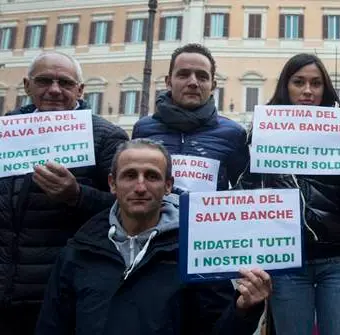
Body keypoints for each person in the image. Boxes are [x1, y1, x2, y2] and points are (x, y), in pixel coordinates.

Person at [36, 139, 270, 335]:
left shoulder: (195, 253)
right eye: (129, 175)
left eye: (152, 176)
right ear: (112, 184)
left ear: (168, 185)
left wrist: (243, 310)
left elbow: (217, 330)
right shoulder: (78, 251)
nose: (140, 186)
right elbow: (52, 326)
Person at [237, 53, 340, 335]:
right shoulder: (261, 131)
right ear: (286, 86)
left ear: (326, 88)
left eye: (316, 83)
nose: (308, 91)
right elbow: (246, 194)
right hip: (287, 264)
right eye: (299, 82)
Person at [0, 51, 128, 335]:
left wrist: (77, 195)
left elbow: (130, 209)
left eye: (65, 83)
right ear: (27, 85)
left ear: (80, 90)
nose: (54, 90)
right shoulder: (5, 131)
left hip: (64, 295)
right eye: (44, 81)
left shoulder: (107, 137)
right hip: (6, 292)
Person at [132, 43, 248, 191]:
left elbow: (247, 193)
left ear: (213, 85)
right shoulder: (143, 129)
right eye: (183, 74)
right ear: (168, 82)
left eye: (202, 77)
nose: (193, 82)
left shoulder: (234, 134)